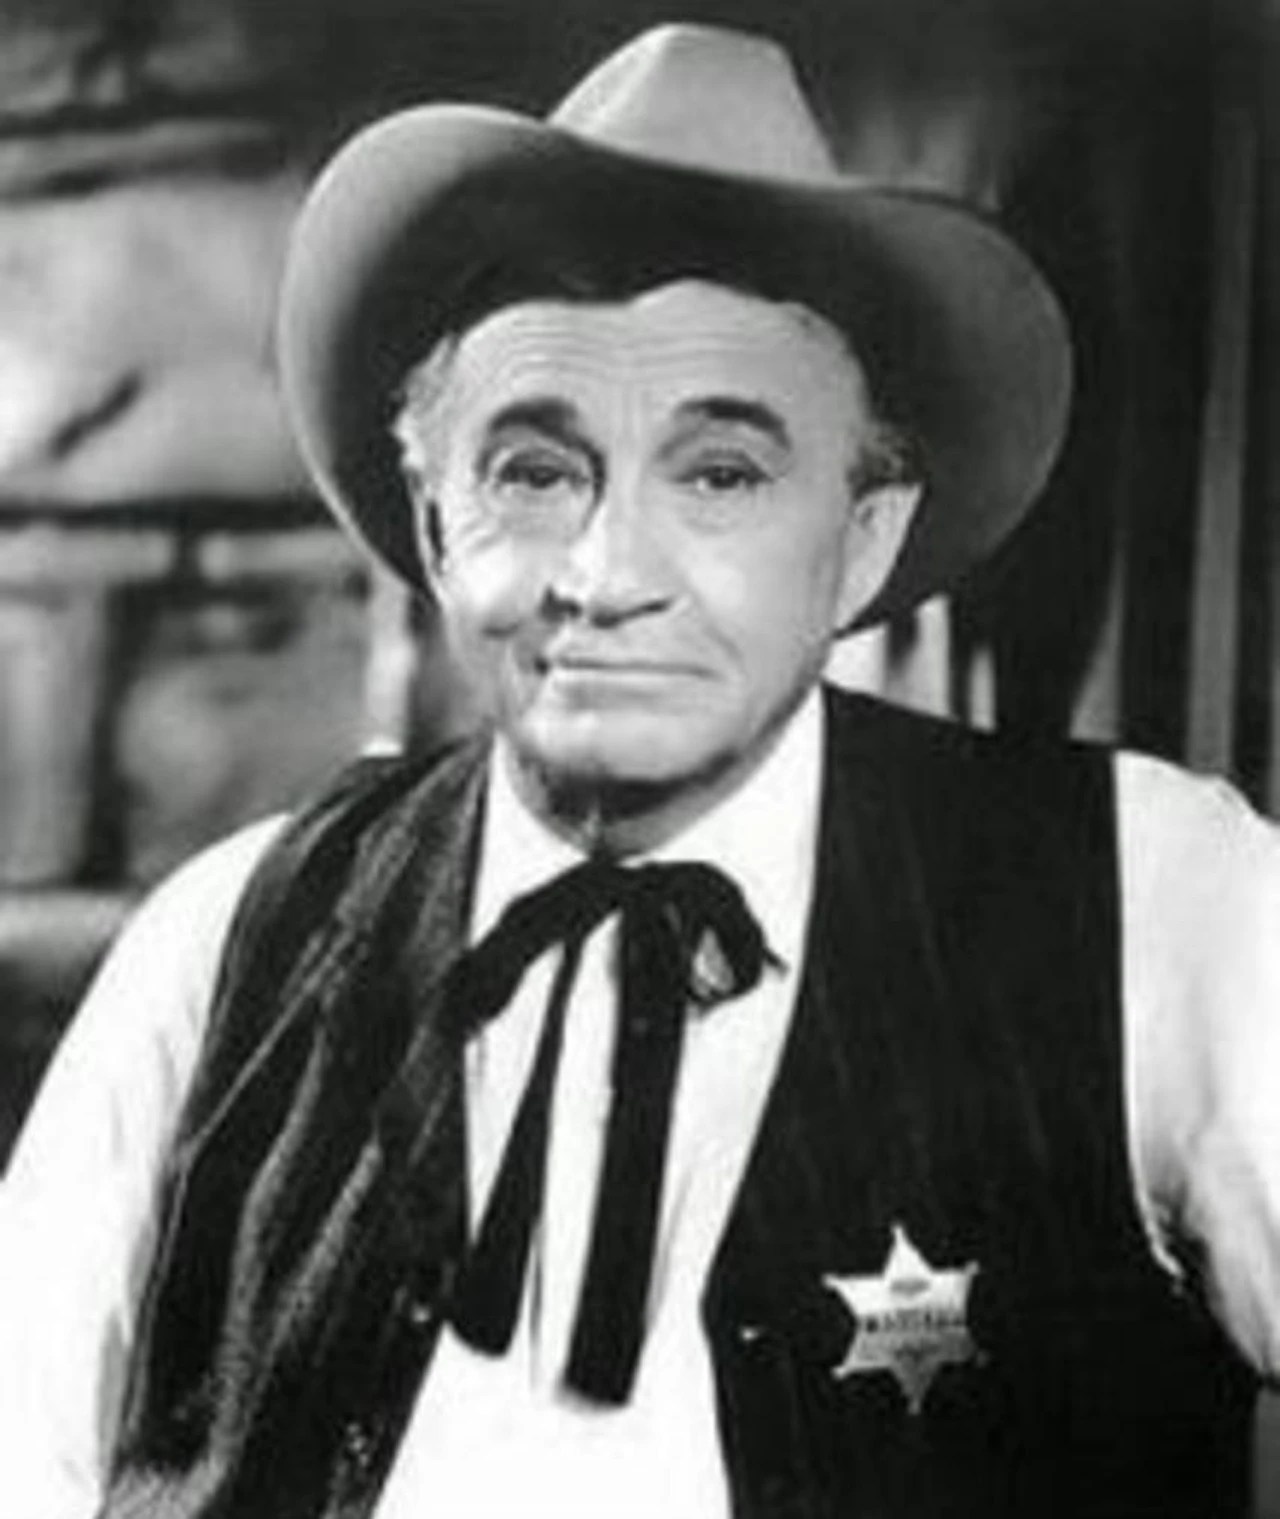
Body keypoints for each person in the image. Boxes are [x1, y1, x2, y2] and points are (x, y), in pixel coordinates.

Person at [2, 21, 1279, 1519]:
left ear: (863, 540)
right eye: (534, 473)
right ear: (433, 524)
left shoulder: (1152, 896)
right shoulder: (224, 940)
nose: (607, 576)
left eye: (722, 474)